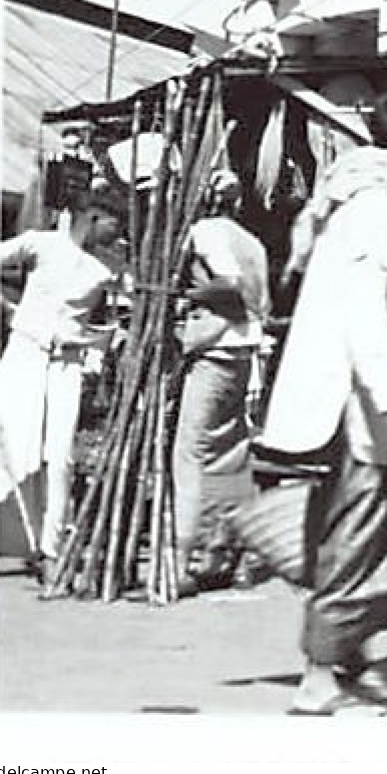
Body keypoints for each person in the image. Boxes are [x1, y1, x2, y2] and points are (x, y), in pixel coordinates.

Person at [259, 92, 387, 716]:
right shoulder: (376, 206)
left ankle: (344, 649)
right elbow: (363, 313)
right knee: (356, 535)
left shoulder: (370, 197)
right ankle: (319, 672)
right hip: (363, 403)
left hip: (372, 395)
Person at [0, 202, 125, 578]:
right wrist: (8, 306)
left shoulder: (104, 270)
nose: (117, 236)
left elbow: (118, 317)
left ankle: (50, 549)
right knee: (7, 441)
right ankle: (1, 539)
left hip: (67, 362)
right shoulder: (42, 244)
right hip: (25, 351)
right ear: (94, 219)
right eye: (114, 226)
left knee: (60, 457)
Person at [171, 170, 271, 595]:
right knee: (231, 454)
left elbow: (229, 285)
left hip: (216, 350)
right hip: (244, 352)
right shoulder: (253, 242)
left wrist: (185, 296)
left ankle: (180, 560)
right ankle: (238, 553)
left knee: (188, 455)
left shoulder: (207, 231)